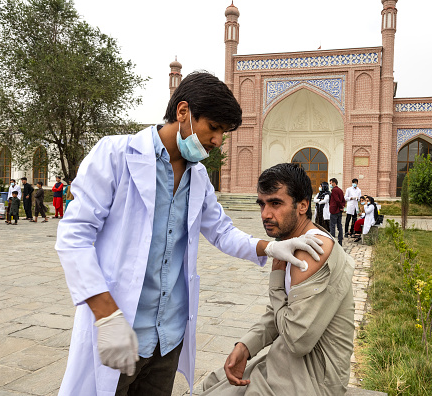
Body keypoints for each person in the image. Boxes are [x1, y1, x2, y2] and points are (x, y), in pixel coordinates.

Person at [54, 72, 324, 396]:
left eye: (223, 133)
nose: (217, 141)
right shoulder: (116, 155)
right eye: (214, 128)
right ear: (183, 112)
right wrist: (105, 313)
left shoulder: (198, 178)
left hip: (167, 339)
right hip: (118, 330)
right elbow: (74, 237)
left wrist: (271, 247)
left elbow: (222, 231)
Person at [200, 163, 355, 396]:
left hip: (312, 377)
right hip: (287, 365)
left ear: (303, 205)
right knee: (213, 382)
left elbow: (296, 340)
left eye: (275, 203)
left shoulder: (312, 248)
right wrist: (246, 346)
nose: (265, 214)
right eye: (261, 204)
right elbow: (278, 312)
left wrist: (277, 276)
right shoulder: (291, 245)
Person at [328, 178, 346, 246]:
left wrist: (341, 206)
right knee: (339, 225)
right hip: (339, 211)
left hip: (335, 210)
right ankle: (340, 240)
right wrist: (342, 206)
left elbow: (337, 200)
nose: (330, 184)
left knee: (332, 226)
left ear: (334, 183)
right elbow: (343, 200)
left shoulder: (334, 190)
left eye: (330, 183)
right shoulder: (340, 190)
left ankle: (333, 241)